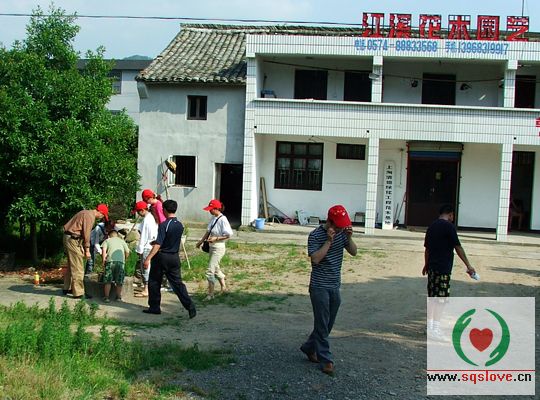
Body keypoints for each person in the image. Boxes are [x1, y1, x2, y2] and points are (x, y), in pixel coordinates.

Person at [300, 205, 357, 376]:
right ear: (330, 222)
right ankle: (326, 359)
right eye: (338, 225)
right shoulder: (315, 235)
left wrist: (349, 238)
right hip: (319, 286)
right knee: (322, 322)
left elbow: (354, 252)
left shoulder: (342, 234)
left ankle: (309, 347)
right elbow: (315, 259)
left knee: (328, 322)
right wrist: (328, 241)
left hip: (334, 285)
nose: (340, 228)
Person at [422, 204, 476, 340]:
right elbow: (458, 247)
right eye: (453, 216)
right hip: (443, 268)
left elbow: (427, 249)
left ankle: (429, 327)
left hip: (432, 267)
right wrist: (469, 265)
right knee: (441, 299)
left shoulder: (432, 226)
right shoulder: (449, 227)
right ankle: (435, 328)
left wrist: (426, 264)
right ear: (450, 214)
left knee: (432, 297)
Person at [142, 199, 196, 318]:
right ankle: (190, 305)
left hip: (162, 256)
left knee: (154, 281)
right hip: (174, 256)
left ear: (164, 210)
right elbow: (170, 239)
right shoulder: (180, 225)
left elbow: (158, 244)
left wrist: (148, 258)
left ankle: (154, 307)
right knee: (177, 283)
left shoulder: (164, 225)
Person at [63, 204, 109, 299]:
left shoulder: (85, 212)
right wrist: (87, 249)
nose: (101, 218)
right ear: (100, 212)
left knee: (71, 264)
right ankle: (79, 293)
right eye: (103, 216)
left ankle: (67, 288)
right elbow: (86, 233)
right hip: (73, 239)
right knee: (78, 266)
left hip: (70, 237)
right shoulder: (90, 216)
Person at [196, 199, 233, 300]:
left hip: (219, 248)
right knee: (215, 268)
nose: (209, 211)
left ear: (217, 209)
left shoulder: (223, 219)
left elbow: (228, 235)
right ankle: (224, 288)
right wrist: (201, 241)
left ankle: (210, 294)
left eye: (211, 209)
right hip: (212, 247)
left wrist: (216, 238)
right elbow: (208, 231)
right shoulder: (213, 218)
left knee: (210, 270)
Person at [133, 200, 158, 298]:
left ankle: (146, 289)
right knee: (151, 268)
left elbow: (143, 236)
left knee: (145, 268)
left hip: (147, 246)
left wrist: (139, 250)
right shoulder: (152, 217)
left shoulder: (146, 220)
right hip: (153, 246)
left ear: (142, 210)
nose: (138, 214)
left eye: (138, 211)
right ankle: (150, 288)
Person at [101, 230, 130, 303]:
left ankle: (106, 297)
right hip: (120, 262)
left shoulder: (107, 241)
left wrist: (103, 261)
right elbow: (127, 251)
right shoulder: (122, 241)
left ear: (109, 235)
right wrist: (125, 258)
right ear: (117, 235)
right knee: (119, 281)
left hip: (110, 261)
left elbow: (104, 251)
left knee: (108, 280)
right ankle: (118, 297)